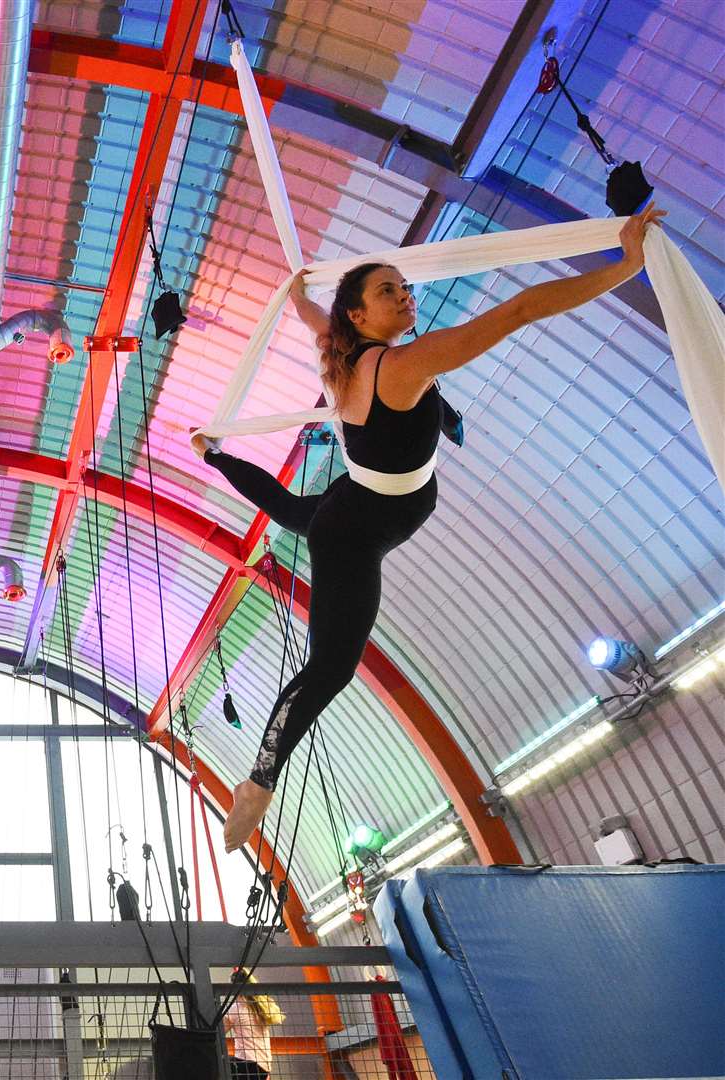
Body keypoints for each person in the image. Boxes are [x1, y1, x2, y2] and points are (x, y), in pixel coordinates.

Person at [194, 204, 666, 852]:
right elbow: (518, 311)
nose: (404, 294)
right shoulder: (401, 365)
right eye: (388, 290)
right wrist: (626, 263)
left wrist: (298, 296)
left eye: (403, 285)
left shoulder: (349, 350)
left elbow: (315, 321)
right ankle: (258, 780)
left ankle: (215, 455)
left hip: (361, 503)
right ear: (359, 315)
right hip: (356, 530)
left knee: (292, 512)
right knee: (332, 662)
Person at [222, 978, 285, 1078]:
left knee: (220, 1063)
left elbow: (218, 1032)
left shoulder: (238, 1008)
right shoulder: (260, 1008)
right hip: (263, 1068)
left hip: (247, 1065)